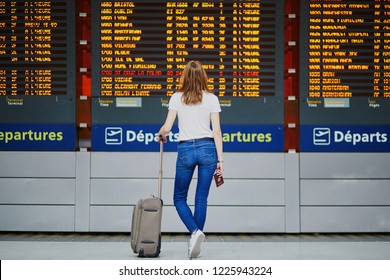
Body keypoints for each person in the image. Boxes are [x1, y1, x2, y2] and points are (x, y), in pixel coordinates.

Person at [158, 60, 224, 258]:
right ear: (203, 76)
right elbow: (217, 131)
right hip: (208, 149)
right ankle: (197, 240)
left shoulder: (177, 98)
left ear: (184, 76)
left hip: (186, 149)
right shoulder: (212, 98)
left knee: (179, 198)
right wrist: (220, 160)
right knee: (201, 198)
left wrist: (161, 133)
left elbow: (167, 127)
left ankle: (195, 232)